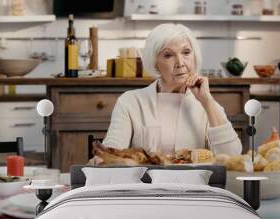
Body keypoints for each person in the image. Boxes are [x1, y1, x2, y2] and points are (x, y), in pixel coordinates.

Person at [99, 23, 242, 159]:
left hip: (194, 184)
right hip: (144, 184)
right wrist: (101, 158)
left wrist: (207, 101)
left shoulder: (208, 105)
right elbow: (112, 152)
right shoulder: (130, 102)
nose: (180, 63)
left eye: (186, 52)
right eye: (168, 55)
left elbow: (232, 156)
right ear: (155, 64)